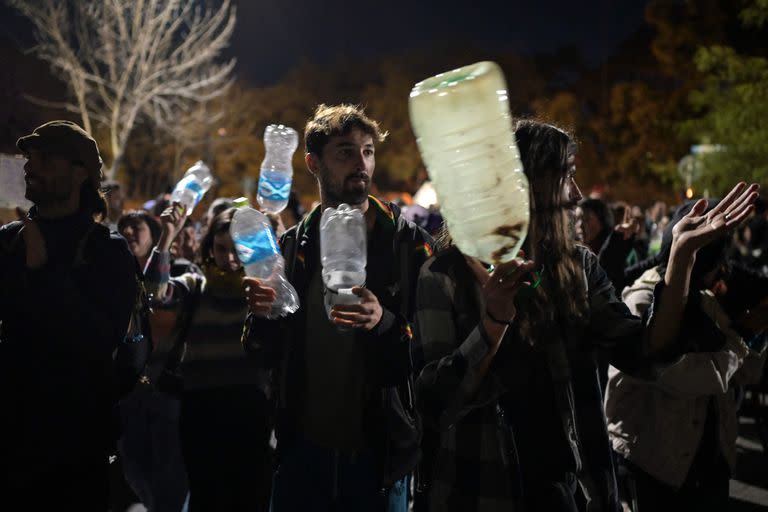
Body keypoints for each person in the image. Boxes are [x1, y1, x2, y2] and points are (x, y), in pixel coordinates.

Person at [411, 119, 759, 512]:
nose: (577, 195)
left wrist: (679, 260)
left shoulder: (577, 267)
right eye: (566, 176)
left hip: (572, 491)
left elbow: (642, 353)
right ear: (523, 185)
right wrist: (493, 322)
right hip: (481, 492)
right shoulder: (445, 275)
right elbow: (434, 402)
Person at [242, 104, 434, 511]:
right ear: (313, 162)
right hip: (301, 452)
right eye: (345, 152)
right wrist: (261, 314)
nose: (361, 163)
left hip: (379, 455)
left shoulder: (406, 244)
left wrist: (384, 322)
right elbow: (263, 353)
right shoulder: (293, 246)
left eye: (367, 151)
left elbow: (433, 353)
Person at [0, 120, 137, 510]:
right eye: (29, 158)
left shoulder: (106, 251)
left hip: (74, 455)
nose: (30, 167)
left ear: (80, 172)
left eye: (45, 158)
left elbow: (98, 340)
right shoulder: (9, 240)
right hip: (10, 445)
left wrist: (43, 273)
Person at [605, 201, 768, 511]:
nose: (724, 272)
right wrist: (743, 334)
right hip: (654, 466)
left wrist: (757, 327)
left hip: (703, 466)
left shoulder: (705, 300)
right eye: (717, 264)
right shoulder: (642, 300)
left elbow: (745, 373)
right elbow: (684, 377)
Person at [143, 205, 271, 511]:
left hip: (249, 409)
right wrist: (165, 241)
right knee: (207, 497)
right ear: (209, 248)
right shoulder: (196, 285)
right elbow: (154, 291)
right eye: (221, 248)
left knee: (249, 497)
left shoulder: (261, 290)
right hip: (202, 410)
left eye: (237, 250)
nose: (229, 258)